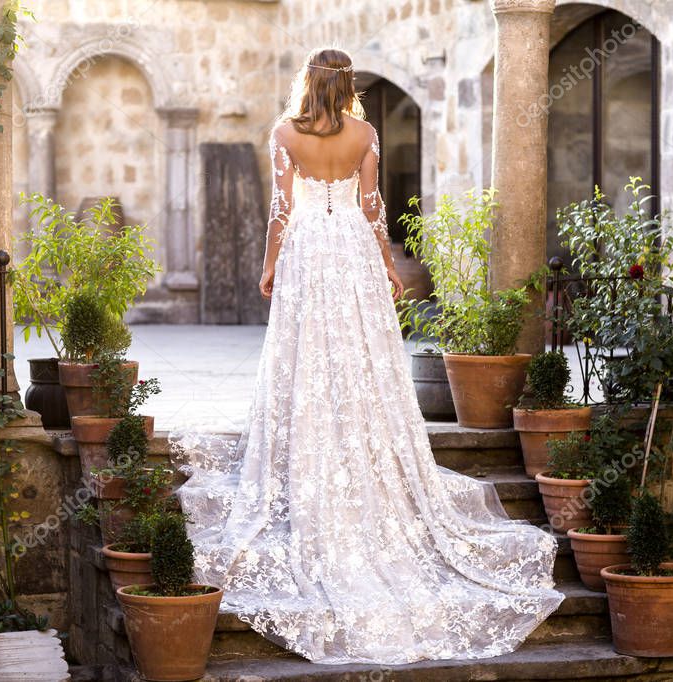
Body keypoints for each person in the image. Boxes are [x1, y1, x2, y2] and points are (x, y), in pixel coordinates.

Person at [170, 47, 563, 665]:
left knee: (307, 349)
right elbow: (374, 207)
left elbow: (280, 209)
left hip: (307, 247)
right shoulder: (365, 133)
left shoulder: (284, 133)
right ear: (348, 85)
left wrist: (270, 263)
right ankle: (356, 433)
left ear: (308, 82)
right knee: (357, 348)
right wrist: (385, 261)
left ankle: (311, 437)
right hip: (351, 245)